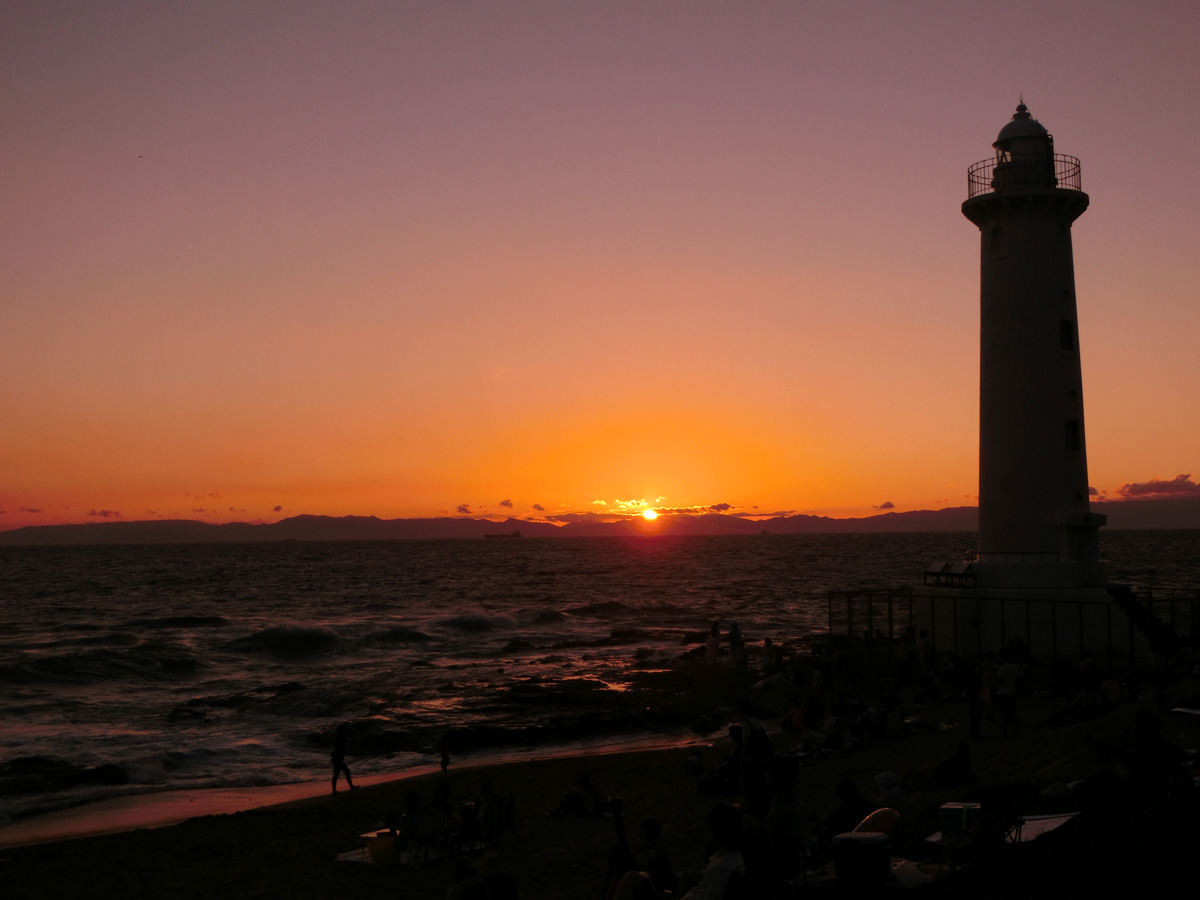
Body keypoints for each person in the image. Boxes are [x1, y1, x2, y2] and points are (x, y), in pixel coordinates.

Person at [331, 722, 356, 793]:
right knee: (346, 771)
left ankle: (334, 790)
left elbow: (341, 748)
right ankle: (351, 786)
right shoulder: (342, 738)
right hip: (338, 758)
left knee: (336, 774)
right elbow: (342, 748)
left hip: (335, 758)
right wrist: (351, 753)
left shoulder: (338, 737)